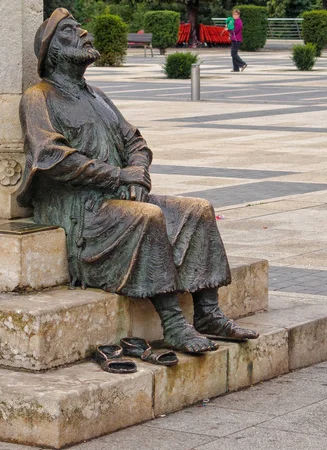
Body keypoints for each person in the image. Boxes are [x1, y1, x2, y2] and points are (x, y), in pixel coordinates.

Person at [16, 8, 259, 354]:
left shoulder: (97, 94)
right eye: (70, 31)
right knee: (148, 218)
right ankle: (174, 324)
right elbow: (50, 155)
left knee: (198, 210)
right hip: (80, 210)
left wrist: (138, 174)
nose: (83, 33)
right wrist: (118, 175)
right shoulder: (38, 97)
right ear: (53, 51)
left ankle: (208, 313)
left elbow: (135, 140)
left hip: (120, 196)